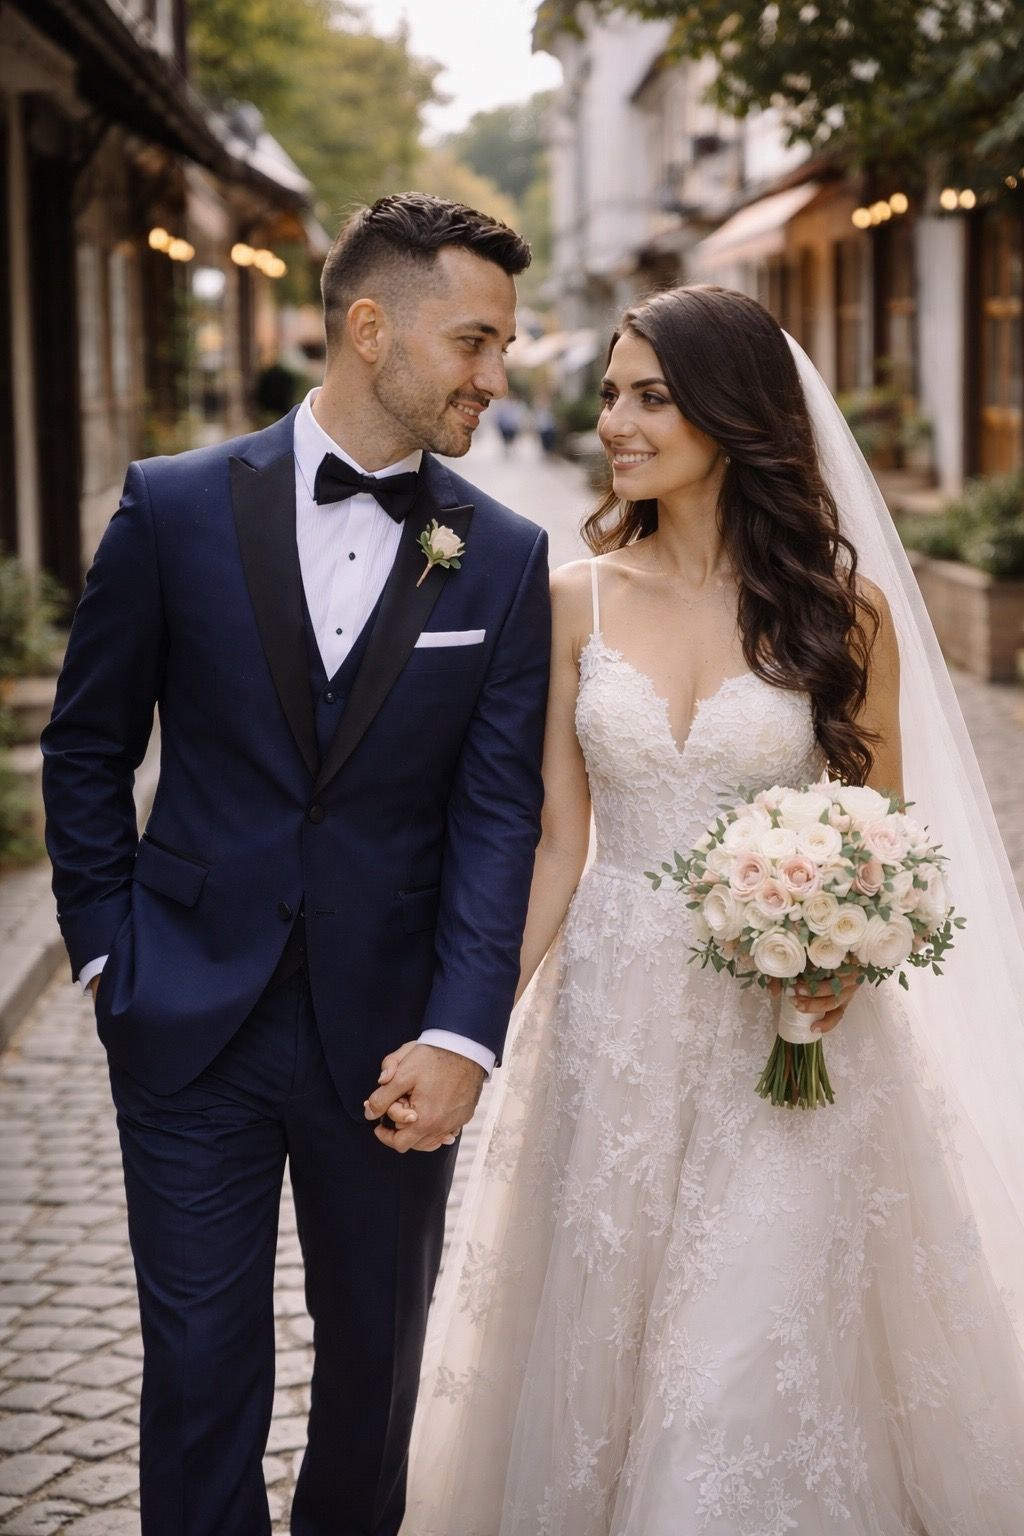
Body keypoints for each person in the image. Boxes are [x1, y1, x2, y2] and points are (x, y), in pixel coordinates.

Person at [392, 285, 1024, 1534]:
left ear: (731, 416)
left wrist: (842, 959)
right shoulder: (575, 599)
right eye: (614, 392)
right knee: (610, 1348)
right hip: (615, 1035)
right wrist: (463, 1031)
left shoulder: (843, 614)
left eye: (649, 397)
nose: (612, 420)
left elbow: (875, 841)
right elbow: (557, 845)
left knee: (736, 1368)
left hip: (783, 1044)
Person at [40, 193, 550, 1536]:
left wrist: (461, 1031)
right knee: (201, 1371)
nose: (496, 380)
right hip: (186, 1019)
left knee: (376, 1372)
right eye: (475, 343)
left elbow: (501, 815)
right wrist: (106, 953)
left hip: (391, 1044)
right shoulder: (171, 508)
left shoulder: (499, 557)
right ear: (370, 327)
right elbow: (87, 748)